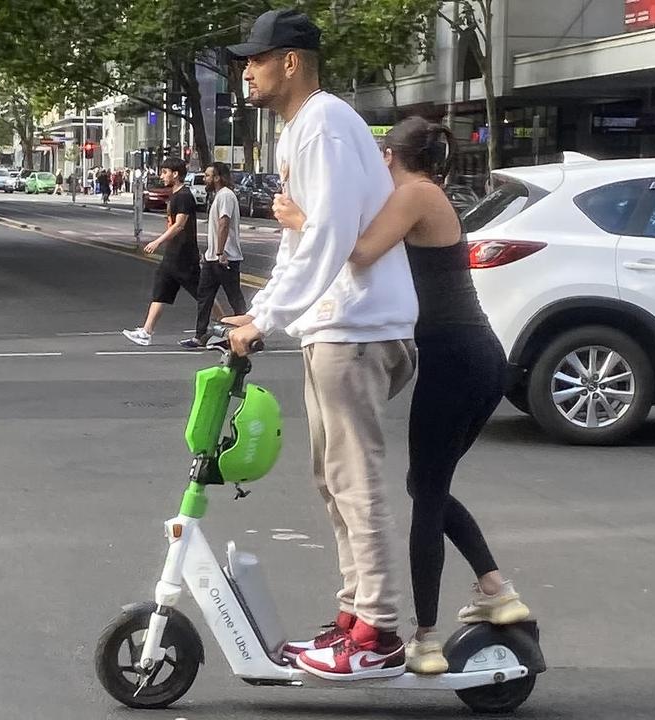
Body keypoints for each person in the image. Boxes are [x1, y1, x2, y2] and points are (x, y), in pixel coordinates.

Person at [273, 116, 531, 675]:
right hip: (462, 355)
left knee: (427, 494)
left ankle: (426, 638)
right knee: (424, 486)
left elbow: (359, 250)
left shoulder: (416, 194)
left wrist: (302, 219)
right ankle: (494, 588)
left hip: (459, 356)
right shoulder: (423, 193)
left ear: (389, 158)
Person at [224, 9, 419, 681]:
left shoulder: (326, 123)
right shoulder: (301, 132)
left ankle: (379, 631)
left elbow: (331, 235)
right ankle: (354, 617)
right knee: (332, 480)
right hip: (336, 326)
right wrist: (258, 313)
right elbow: (296, 243)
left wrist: (268, 321)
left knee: (356, 481)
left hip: (357, 329)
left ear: (291, 62)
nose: (244, 69)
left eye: (255, 58)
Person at [122, 157, 201, 346]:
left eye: (165, 172)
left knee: (202, 294)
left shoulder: (183, 196)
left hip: (184, 255)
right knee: (161, 291)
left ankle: (224, 325)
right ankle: (146, 332)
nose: (162, 176)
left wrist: (157, 241)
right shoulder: (175, 195)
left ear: (176, 174)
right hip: (173, 254)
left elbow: (179, 225)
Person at [179, 161, 247, 350]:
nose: (205, 178)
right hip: (213, 258)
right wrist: (210, 253)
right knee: (204, 296)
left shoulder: (225, 196)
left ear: (218, 178)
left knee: (235, 298)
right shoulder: (219, 196)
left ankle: (249, 332)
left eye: (208, 175)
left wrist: (219, 251)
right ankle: (200, 336)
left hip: (225, 258)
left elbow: (224, 223)